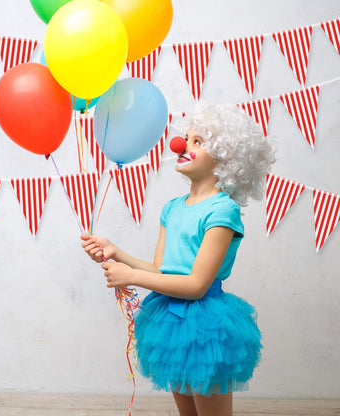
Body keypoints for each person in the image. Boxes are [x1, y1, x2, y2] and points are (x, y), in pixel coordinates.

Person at [81, 101, 276, 416]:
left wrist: (129, 277)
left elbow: (197, 284)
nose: (181, 145)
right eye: (186, 138)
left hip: (205, 324)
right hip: (169, 320)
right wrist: (118, 253)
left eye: (197, 142)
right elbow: (161, 270)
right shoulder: (172, 207)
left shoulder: (222, 209)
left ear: (226, 158)